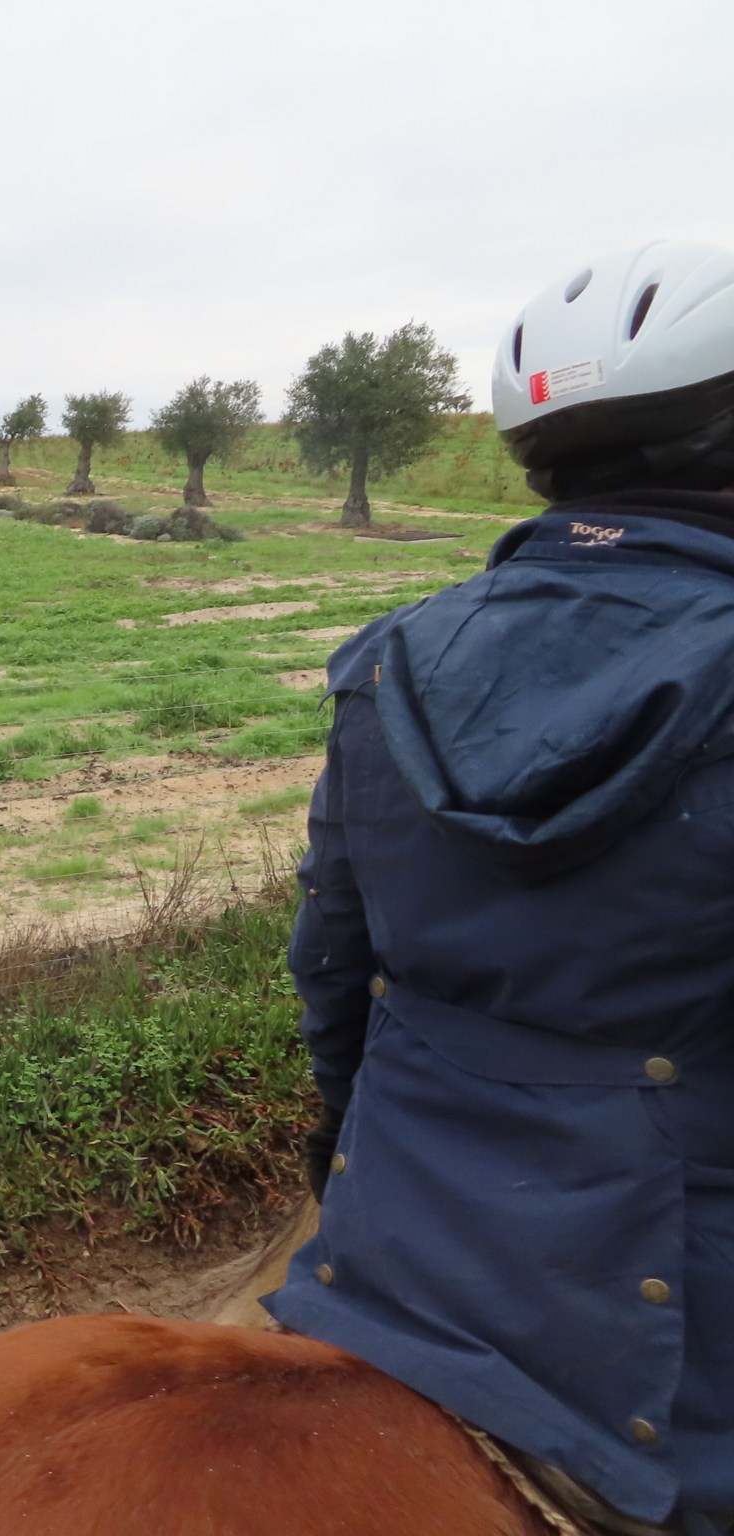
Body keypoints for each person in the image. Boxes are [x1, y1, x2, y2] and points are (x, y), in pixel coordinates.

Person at [265, 239, 734, 1536]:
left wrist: (346, 1148)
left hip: (395, 1242)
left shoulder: (389, 660)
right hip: (670, 1324)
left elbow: (331, 967)